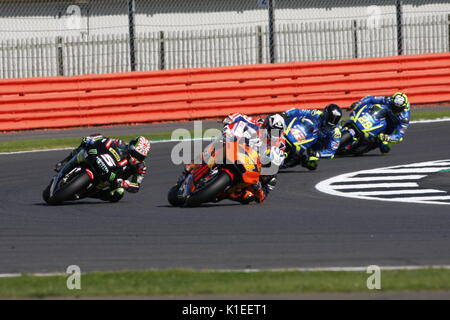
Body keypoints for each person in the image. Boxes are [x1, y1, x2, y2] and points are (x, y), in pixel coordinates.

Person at [185, 113, 286, 204]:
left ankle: (223, 193)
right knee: (220, 143)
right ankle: (196, 162)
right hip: (239, 149)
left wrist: (259, 189)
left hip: (253, 168)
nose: (273, 134)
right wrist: (229, 122)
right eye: (272, 130)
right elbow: (239, 117)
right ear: (266, 125)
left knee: (248, 196)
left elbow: (262, 197)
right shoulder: (256, 124)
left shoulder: (279, 145)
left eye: (277, 132)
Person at [54, 134, 150, 202]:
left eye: (140, 157)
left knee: (118, 194)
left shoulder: (140, 168)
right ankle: (65, 161)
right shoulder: (119, 144)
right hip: (99, 160)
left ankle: (92, 194)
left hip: (112, 180)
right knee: (85, 143)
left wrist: (126, 184)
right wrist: (92, 139)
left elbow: (136, 187)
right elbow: (104, 140)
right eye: (135, 154)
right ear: (130, 147)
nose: (136, 159)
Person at [279, 104, 343, 170]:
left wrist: (318, 154)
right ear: (326, 114)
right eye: (331, 118)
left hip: (317, 147)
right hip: (306, 134)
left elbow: (331, 152)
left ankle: (301, 160)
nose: (333, 121)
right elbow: (298, 111)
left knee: (312, 164)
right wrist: (286, 114)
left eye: (335, 119)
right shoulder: (316, 113)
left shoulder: (336, 133)